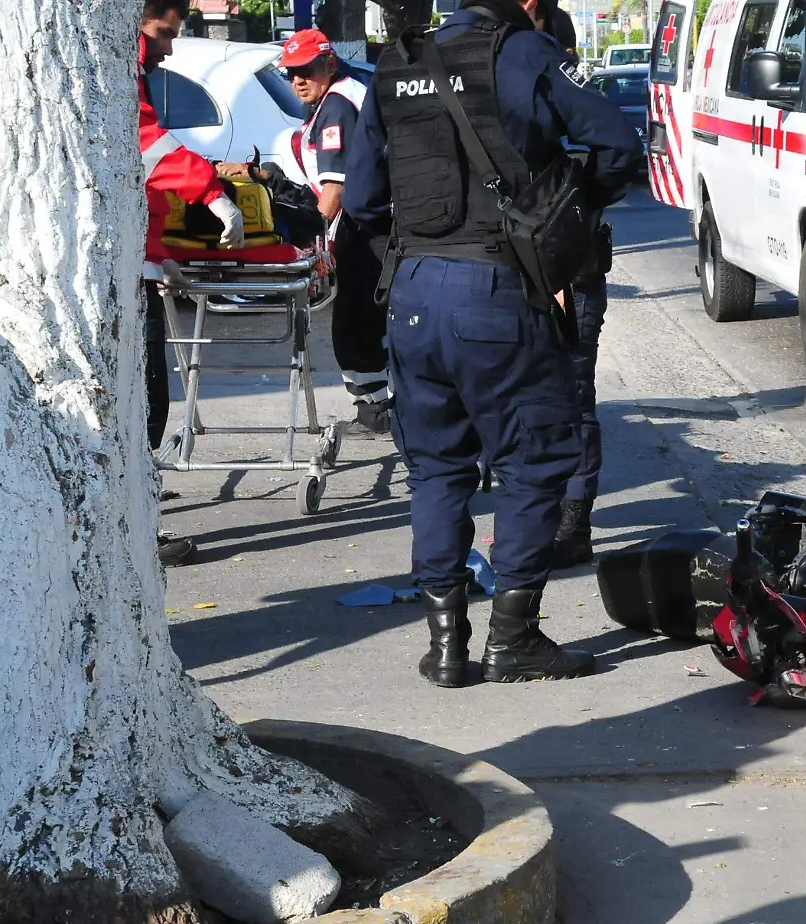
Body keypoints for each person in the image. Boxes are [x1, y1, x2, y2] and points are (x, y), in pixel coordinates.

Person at [342, 0, 642, 687]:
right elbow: (619, 146)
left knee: (438, 470)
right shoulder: (525, 53)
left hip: (412, 293)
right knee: (533, 464)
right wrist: (567, 204)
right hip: (501, 291)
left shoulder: (394, 63)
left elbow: (361, 200)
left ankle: (445, 647)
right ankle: (514, 640)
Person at [217, 29, 393, 438]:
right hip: (363, 227)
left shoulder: (337, 105)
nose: (297, 80)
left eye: (306, 71)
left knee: (357, 326)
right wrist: (262, 176)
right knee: (358, 324)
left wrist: (316, 244)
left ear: (329, 64)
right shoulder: (335, 97)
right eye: (290, 73)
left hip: (367, 231)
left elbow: (335, 190)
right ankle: (378, 408)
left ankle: (381, 412)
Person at [140, 0, 246, 567]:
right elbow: (147, 148)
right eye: (164, 33)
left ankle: (133, 514)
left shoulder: (127, 70)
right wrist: (211, 193)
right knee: (145, 402)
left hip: (136, 262)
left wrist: (156, 255)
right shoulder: (120, 72)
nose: (170, 48)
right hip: (127, 274)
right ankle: (134, 528)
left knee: (142, 402)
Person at [543, 6, 611, 570]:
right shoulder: (526, 93)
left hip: (573, 276)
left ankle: (574, 520)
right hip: (525, 274)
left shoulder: (575, 99)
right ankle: (548, 512)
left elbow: (615, 158)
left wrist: (579, 222)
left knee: (574, 398)